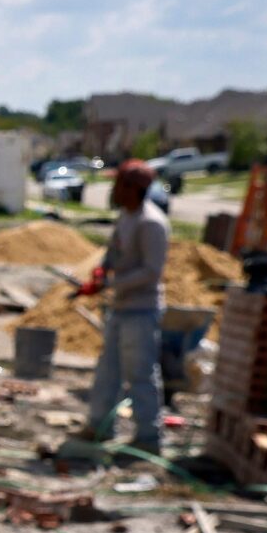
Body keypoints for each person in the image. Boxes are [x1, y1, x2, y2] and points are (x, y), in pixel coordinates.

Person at [80, 158, 171, 456]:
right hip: (120, 308)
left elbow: (151, 271)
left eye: (118, 184)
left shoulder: (151, 223)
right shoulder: (126, 216)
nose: (113, 190)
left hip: (141, 311)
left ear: (133, 189)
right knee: (109, 371)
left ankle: (148, 436)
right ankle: (100, 426)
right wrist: (101, 272)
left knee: (140, 374)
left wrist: (113, 284)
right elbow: (113, 250)